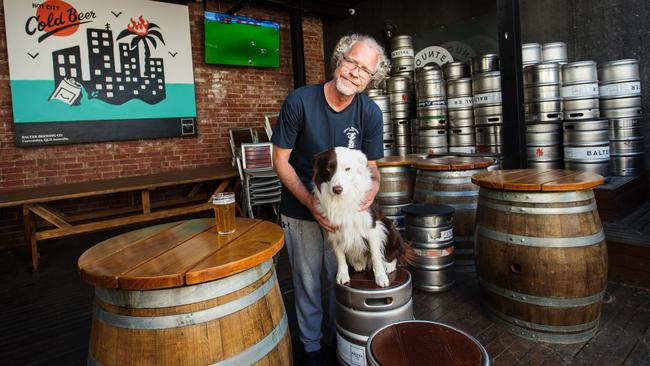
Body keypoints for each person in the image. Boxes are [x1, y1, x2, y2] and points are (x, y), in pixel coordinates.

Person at [271, 34, 390, 365]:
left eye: (364, 70)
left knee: (342, 277)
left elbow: (373, 171)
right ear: (339, 58)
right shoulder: (299, 101)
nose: (354, 72)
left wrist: (368, 197)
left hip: (346, 215)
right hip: (302, 208)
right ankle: (311, 348)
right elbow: (280, 159)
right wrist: (311, 202)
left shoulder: (369, 113)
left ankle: (343, 341)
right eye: (351, 61)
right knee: (307, 281)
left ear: (371, 79)